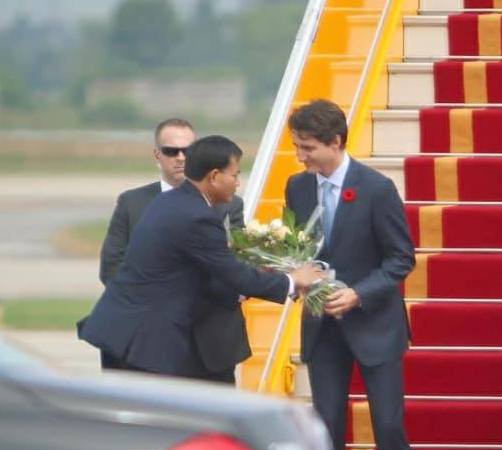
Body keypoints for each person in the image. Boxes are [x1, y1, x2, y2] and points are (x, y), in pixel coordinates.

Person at [284, 100, 424, 450]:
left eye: (307, 148)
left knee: (388, 428)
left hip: (374, 327)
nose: (301, 156)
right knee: (325, 431)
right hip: (323, 330)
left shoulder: (376, 188)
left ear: (336, 142)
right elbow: (298, 249)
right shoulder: (296, 187)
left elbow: (401, 258)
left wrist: (359, 294)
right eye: (297, 147)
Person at [79, 136, 324, 377]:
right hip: (143, 339)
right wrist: (292, 280)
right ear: (214, 177)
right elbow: (233, 274)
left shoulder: (171, 201)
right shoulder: (197, 216)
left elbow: (207, 273)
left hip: (125, 330)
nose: (238, 183)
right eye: (235, 175)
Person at [96, 118, 252, 382]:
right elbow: (112, 267)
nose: (181, 158)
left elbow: (236, 265)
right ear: (157, 154)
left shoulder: (229, 204)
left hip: (211, 342)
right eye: (171, 151)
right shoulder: (132, 203)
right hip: (150, 338)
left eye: (188, 151)